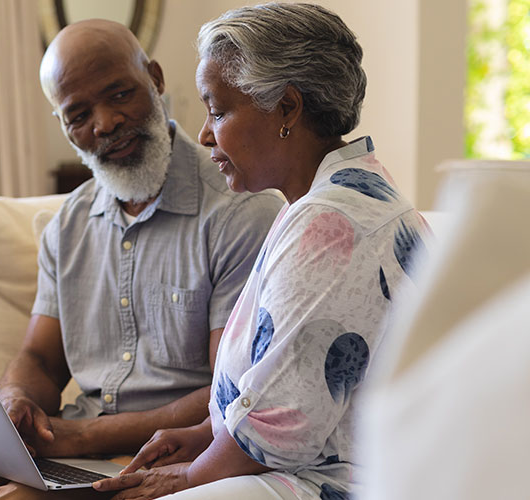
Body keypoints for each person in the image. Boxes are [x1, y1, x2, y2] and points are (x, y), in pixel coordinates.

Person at [0, 19, 281, 500]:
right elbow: (40, 359)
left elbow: (228, 391)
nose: (104, 123)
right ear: (64, 125)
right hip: (74, 447)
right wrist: (15, 399)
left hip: (168, 453)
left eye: (120, 94)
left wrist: (84, 437)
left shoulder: (239, 212)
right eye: (78, 113)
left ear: (155, 79)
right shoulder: (68, 224)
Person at [92, 3, 431, 499]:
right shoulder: (343, 196)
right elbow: (295, 385)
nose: (205, 133)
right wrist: (204, 437)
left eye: (218, 110)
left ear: (287, 109)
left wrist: (189, 476)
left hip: (327, 484)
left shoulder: (332, 223)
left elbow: (283, 424)